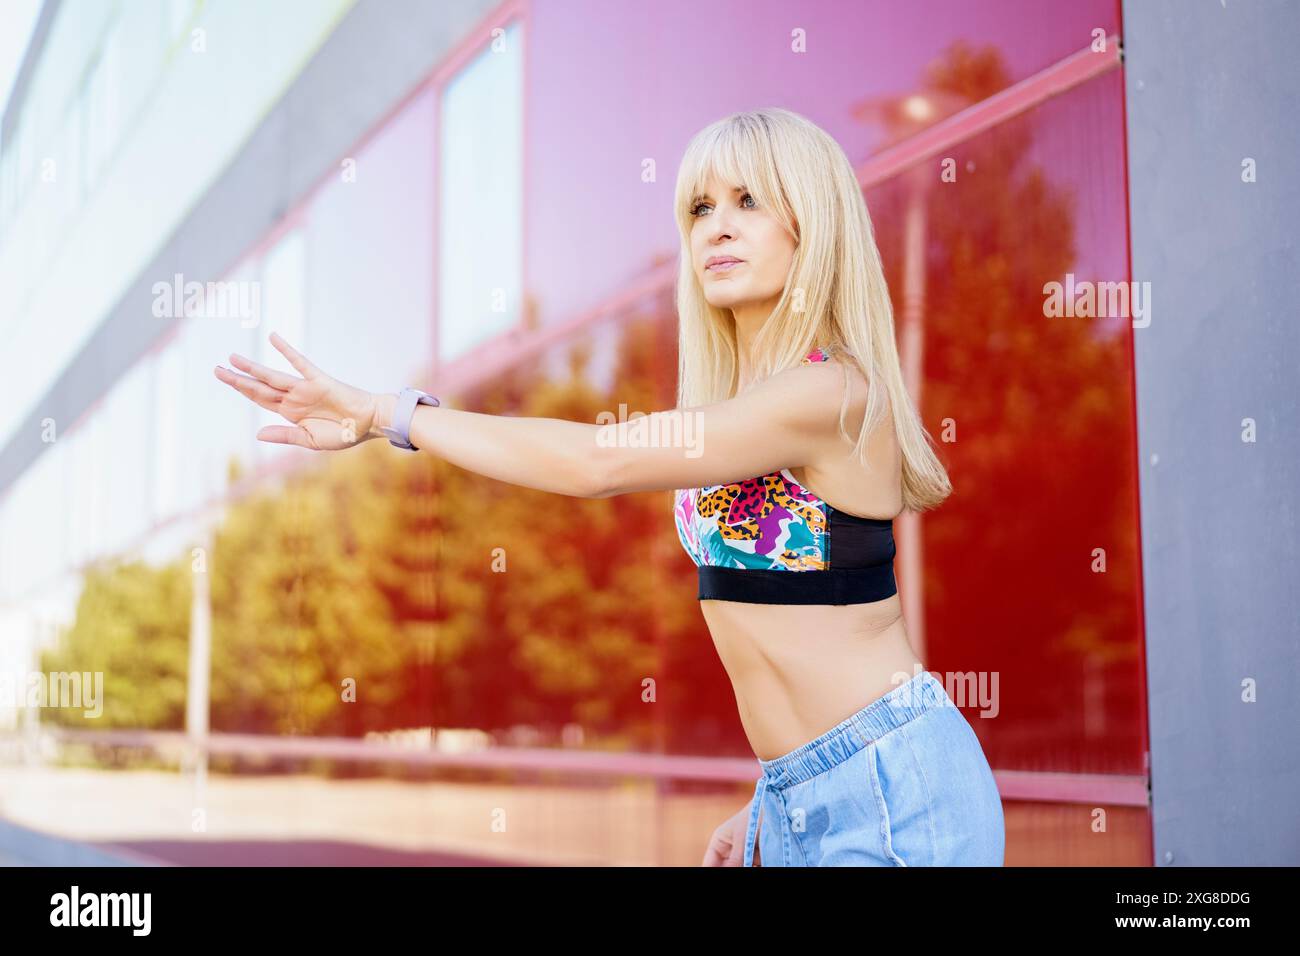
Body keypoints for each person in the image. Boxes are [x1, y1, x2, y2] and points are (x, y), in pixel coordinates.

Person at [214, 107, 1004, 867]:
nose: (716, 226)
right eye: (700, 207)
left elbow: (599, 462)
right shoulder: (749, 406)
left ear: (815, 222)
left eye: (750, 200)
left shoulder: (828, 394)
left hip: (894, 788)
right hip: (805, 790)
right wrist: (773, 792)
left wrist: (389, 413)